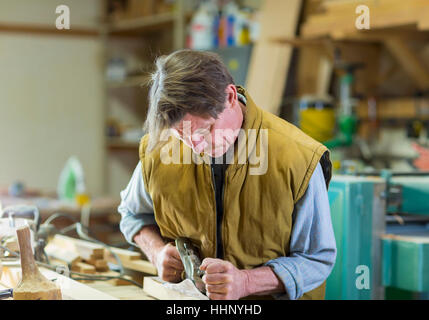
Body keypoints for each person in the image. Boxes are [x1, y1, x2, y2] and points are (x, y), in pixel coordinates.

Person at [118, 49, 336, 300]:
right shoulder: (160, 150)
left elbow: (317, 258)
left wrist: (247, 282)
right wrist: (156, 252)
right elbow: (132, 213)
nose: (195, 147)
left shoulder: (297, 157)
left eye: (204, 130)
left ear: (230, 96)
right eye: (181, 135)